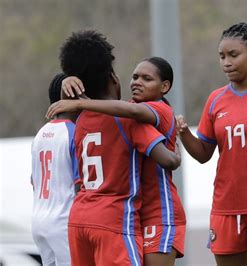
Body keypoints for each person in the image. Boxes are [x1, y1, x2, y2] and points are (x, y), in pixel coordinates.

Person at [47, 57, 185, 266]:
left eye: (147, 79)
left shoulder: (157, 109)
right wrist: (70, 81)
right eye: (135, 76)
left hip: (159, 213)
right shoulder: (121, 112)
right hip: (131, 214)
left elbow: (129, 111)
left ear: (164, 87)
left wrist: (79, 102)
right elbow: (102, 108)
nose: (137, 82)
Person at [176, 21, 247, 266]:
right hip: (226, 205)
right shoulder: (216, 100)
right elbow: (204, 153)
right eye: (222, 56)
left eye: (233, 55)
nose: (226, 62)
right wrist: (184, 134)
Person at [30, 73, 79, 266]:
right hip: (63, 222)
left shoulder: (40, 134)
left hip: (39, 220)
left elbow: (34, 181)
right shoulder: (74, 132)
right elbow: (79, 186)